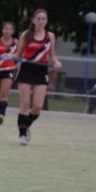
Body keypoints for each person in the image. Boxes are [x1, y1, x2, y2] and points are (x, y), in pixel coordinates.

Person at [15, 9, 61, 145]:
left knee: (37, 107)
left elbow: (52, 56)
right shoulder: (26, 34)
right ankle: (22, 135)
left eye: (43, 19)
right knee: (25, 104)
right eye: (38, 19)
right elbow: (18, 54)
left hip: (41, 71)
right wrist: (15, 61)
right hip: (26, 70)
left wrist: (56, 62)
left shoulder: (50, 36)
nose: (41, 21)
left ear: (46, 21)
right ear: (33, 20)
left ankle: (26, 125)